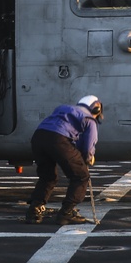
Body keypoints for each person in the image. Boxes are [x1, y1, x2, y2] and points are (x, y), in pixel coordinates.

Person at [25, 95, 103, 225]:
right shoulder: (89, 119)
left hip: (38, 137)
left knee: (47, 176)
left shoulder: (63, 109)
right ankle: (66, 213)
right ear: (96, 109)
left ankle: (34, 211)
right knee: (81, 176)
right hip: (59, 140)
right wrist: (88, 158)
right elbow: (89, 145)